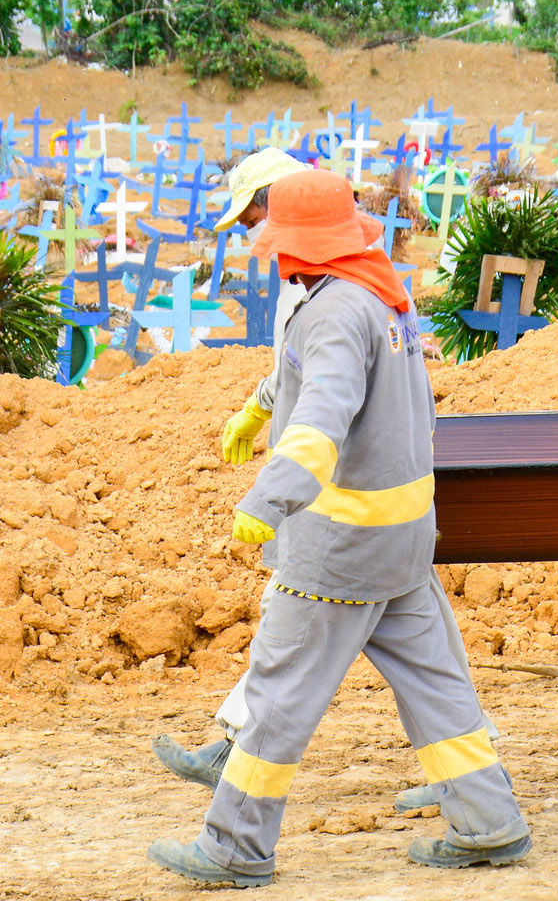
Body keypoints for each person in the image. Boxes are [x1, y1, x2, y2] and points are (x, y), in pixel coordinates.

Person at [147, 170, 530, 886]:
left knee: (277, 694)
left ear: (296, 245)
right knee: (437, 686)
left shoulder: (335, 311)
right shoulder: (381, 294)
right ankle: (488, 822)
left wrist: (269, 499)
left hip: (339, 547)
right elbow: (322, 381)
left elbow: (323, 416)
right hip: (404, 540)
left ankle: (234, 848)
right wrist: (263, 404)